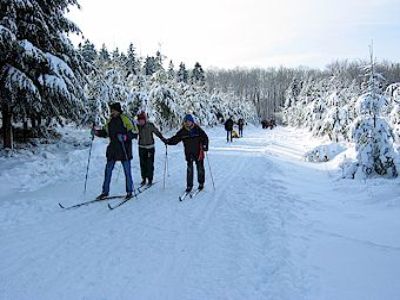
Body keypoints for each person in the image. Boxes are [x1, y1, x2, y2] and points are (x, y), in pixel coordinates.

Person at [93, 102, 138, 200]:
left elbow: (135, 132)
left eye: (113, 110)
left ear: (118, 110)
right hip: (113, 150)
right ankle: (105, 192)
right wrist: (96, 132)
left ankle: (129, 191)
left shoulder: (125, 119)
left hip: (124, 149)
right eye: (111, 110)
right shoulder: (110, 121)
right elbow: (105, 133)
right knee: (108, 171)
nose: (111, 112)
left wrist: (126, 137)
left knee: (127, 171)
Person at [166, 114, 209, 192]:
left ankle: (201, 183)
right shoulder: (183, 131)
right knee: (189, 169)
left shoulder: (197, 129)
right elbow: (176, 139)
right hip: (189, 153)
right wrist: (168, 141)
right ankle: (189, 186)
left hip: (198, 152)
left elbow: (205, 138)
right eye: (186, 121)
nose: (187, 123)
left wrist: (205, 145)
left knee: (200, 169)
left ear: (192, 122)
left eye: (189, 121)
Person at [136, 111, 166, 186]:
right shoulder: (137, 127)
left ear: (145, 120)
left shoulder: (150, 125)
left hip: (150, 148)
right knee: (142, 164)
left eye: (142, 120)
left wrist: (163, 139)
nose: (140, 122)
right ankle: (143, 178)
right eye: (139, 120)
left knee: (149, 164)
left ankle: (150, 179)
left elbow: (157, 132)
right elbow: (133, 133)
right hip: (141, 147)